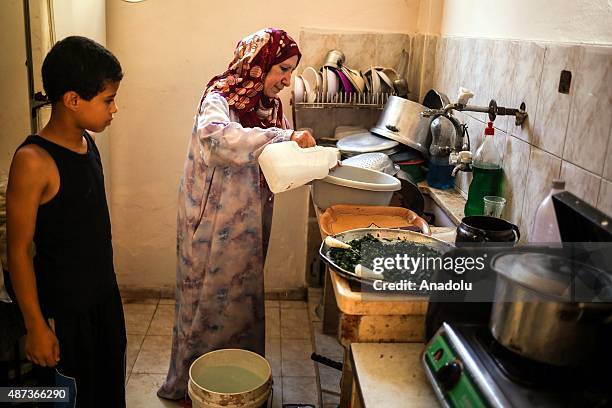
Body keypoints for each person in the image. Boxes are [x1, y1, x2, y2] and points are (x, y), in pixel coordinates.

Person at [158, 28, 315, 401]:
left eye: (291, 71)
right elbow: (216, 139)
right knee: (207, 298)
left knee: (240, 295)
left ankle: (237, 377)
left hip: (248, 216)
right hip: (212, 217)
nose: (286, 80)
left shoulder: (269, 105)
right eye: (281, 69)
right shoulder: (220, 96)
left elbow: (280, 145)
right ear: (258, 64)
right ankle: (191, 385)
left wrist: (311, 158)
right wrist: (282, 138)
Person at [6, 36, 126, 407]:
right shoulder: (33, 161)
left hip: (103, 301)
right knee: (68, 397)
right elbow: (18, 251)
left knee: (106, 392)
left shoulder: (87, 143)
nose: (114, 109)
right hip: (63, 315)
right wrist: (35, 326)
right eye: (107, 100)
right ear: (73, 100)